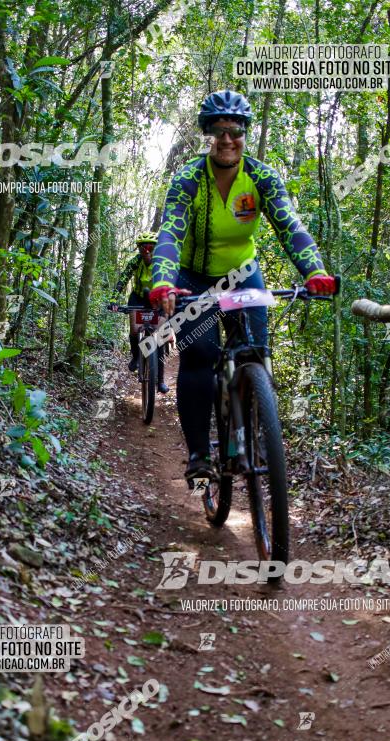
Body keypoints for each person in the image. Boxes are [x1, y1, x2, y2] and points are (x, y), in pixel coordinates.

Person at [148, 89, 336, 482]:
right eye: (219, 131)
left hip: (241, 275)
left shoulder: (262, 177)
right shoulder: (188, 179)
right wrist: (163, 281)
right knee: (199, 356)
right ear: (207, 134)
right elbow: (170, 232)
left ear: (245, 133)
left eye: (235, 130)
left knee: (254, 351)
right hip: (192, 279)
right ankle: (200, 453)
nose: (228, 139)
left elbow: (291, 227)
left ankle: (255, 428)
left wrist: (313, 271)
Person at [114, 232, 168, 393]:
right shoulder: (135, 262)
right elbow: (123, 280)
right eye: (143, 248)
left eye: (151, 247)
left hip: (158, 299)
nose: (147, 251)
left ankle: (161, 381)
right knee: (135, 328)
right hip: (137, 298)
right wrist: (113, 300)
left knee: (160, 337)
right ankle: (136, 356)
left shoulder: (162, 263)